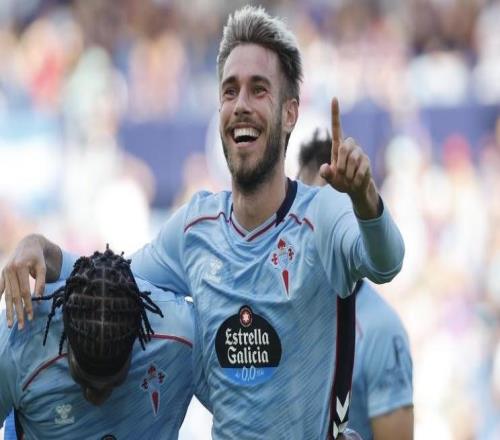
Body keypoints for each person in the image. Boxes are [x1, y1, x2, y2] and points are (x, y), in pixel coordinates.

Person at [0, 6, 404, 439]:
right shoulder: (195, 228)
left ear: (290, 113)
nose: (241, 105)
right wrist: (45, 251)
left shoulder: (323, 213)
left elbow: (387, 263)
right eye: (230, 91)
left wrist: (365, 198)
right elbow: (117, 284)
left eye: (258, 90)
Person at [0, 247, 195, 439]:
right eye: (83, 379)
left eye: (114, 382)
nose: (96, 398)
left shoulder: (183, 335)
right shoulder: (17, 344)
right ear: (65, 335)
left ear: (136, 341)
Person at [298, 130, 414, 439]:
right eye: (302, 209)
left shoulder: (380, 329)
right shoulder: (284, 306)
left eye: (325, 212)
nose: (308, 224)